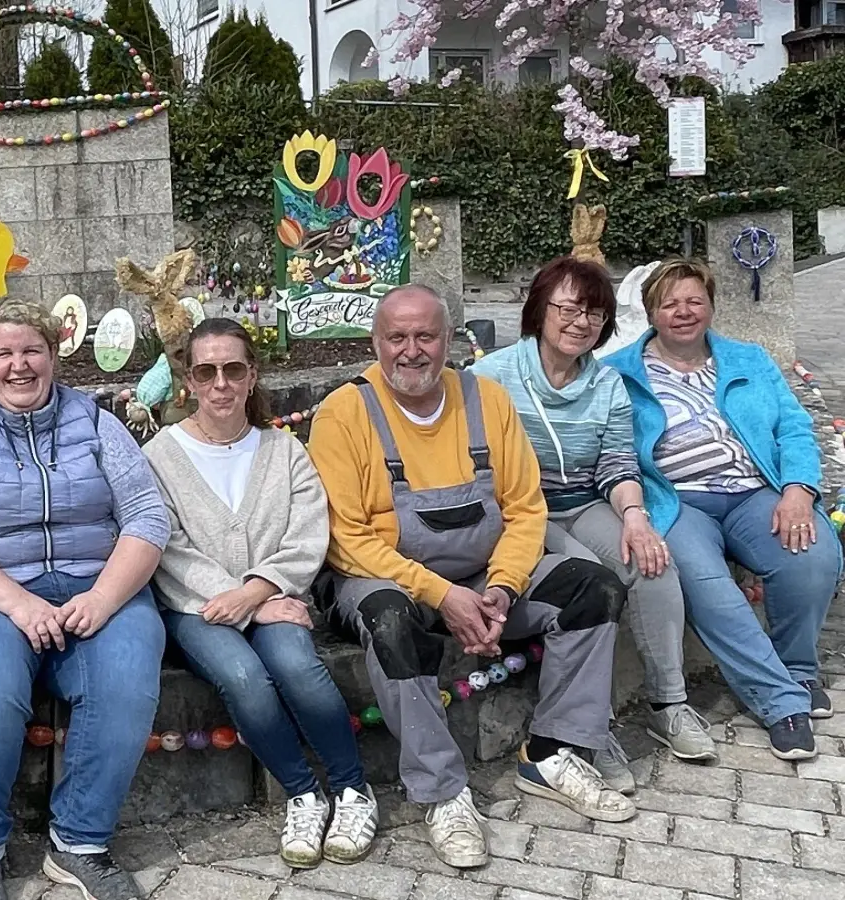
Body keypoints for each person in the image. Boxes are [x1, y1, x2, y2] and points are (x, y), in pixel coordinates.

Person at [309, 284, 635, 870]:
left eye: (426, 336)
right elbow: (346, 538)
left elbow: (525, 507)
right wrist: (443, 595)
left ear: (450, 340)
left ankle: (552, 751)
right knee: (389, 624)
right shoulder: (343, 413)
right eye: (397, 338)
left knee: (595, 588)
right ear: (375, 343)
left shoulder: (485, 399)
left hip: (486, 574)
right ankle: (442, 792)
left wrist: (503, 589)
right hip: (382, 578)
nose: (412, 351)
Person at [0, 298, 170, 900]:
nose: (18, 366)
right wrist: (17, 604)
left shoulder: (98, 422)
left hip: (92, 586)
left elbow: (147, 516)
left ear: (54, 355)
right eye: (3, 353)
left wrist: (104, 600)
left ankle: (79, 843)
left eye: (32, 351)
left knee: (129, 667)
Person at [474, 257, 716, 793]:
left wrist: (635, 519)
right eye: (569, 307)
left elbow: (617, 464)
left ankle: (668, 703)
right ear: (540, 309)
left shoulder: (607, 384)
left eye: (595, 312)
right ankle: (591, 729)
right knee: (588, 580)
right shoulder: (491, 377)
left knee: (650, 565)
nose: (581, 321)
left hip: (586, 502)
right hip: (524, 512)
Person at [144, 318, 378, 868]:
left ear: (252, 376)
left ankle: (351, 789)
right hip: (194, 606)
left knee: (298, 668)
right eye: (207, 371)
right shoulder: (160, 456)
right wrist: (238, 595)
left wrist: (258, 592)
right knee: (244, 676)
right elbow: (169, 547)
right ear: (189, 380)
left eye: (233, 369)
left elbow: (307, 534)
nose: (220, 383)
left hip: (273, 596)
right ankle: (302, 793)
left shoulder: (284, 451)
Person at [603, 258, 841, 761]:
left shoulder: (747, 359)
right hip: (679, 499)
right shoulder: (618, 374)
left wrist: (799, 488)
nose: (683, 312)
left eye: (694, 301)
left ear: (711, 306)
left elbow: (794, 429)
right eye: (670, 303)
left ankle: (797, 669)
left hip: (756, 490)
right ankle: (781, 703)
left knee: (813, 554)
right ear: (651, 312)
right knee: (710, 588)